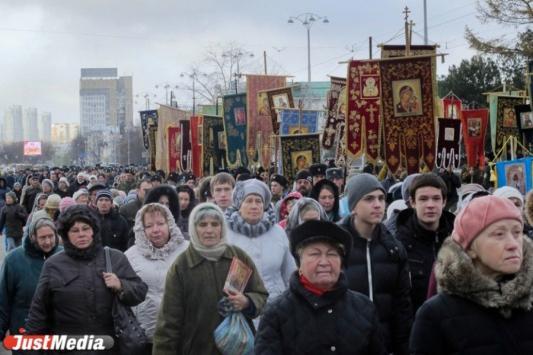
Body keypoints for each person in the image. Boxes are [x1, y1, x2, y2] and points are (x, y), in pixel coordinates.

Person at [410, 196, 533, 354]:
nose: (513, 244)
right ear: (469, 248)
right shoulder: (436, 315)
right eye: (499, 234)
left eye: (517, 232)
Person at [25, 205, 147, 354]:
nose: (81, 234)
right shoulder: (53, 265)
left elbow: (140, 291)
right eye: (75, 231)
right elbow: (38, 311)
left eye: (86, 228)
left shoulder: (115, 258)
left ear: (94, 231)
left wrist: (121, 285)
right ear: (66, 235)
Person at [255, 220, 386, 354]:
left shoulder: (364, 308)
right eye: (315, 254)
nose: (324, 262)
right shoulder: (276, 313)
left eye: (332, 254)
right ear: (299, 262)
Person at [152, 203, 268, 354]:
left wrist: (247, 302)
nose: (209, 230)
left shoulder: (238, 257)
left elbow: (261, 294)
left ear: (222, 227)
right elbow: (168, 323)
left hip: (237, 348)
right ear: (194, 228)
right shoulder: (182, 266)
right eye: (202, 224)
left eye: (215, 224)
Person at [339, 173, 412, 355]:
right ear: (354, 205)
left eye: (381, 198)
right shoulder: (336, 246)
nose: (378, 204)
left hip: (384, 345)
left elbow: (402, 305)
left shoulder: (393, 248)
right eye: (369, 199)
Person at [125, 203, 189, 353]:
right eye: (149, 225)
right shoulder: (130, 256)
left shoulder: (188, 251)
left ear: (170, 224)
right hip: (145, 334)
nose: (156, 230)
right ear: (142, 229)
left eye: (160, 223)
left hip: (182, 333)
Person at [226, 179, 296, 303]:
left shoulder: (278, 232)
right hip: (238, 306)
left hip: (275, 304)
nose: (254, 206)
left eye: (258, 201)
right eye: (248, 201)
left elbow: (289, 273)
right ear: (239, 205)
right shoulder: (226, 233)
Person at [394, 174, 455, 312]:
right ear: (412, 202)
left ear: (444, 201)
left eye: (436, 198)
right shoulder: (398, 244)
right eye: (423, 199)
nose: (430, 205)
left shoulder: (458, 240)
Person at [0, 216, 62, 348]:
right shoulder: (13, 260)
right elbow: (3, 300)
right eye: (42, 237)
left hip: (57, 331)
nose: (48, 241)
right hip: (25, 330)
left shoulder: (64, 256)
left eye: (51, 236)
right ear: (33, 237)